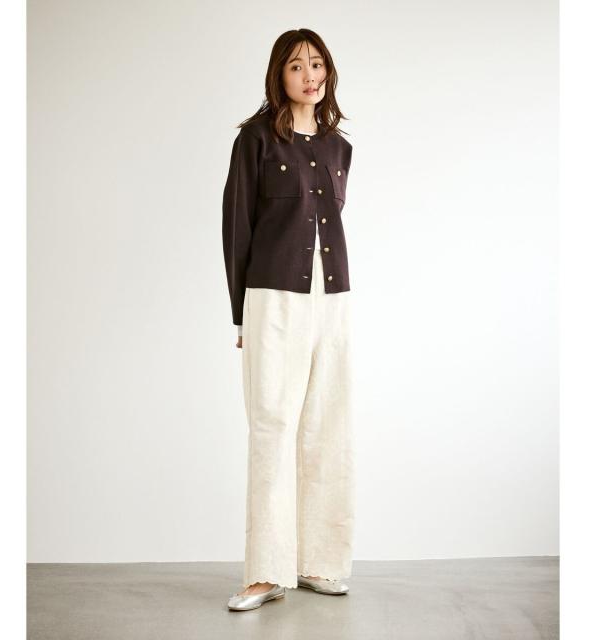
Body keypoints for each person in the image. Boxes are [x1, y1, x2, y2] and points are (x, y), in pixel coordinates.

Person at [222, 28, 355, 612]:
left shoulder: (338, 147)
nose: (309, 75)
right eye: (297, 65)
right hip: (273, 298)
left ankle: (319, 561)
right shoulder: (255, 139)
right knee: (272, 426)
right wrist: (241, 314)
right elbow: (236, 228)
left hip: (333, 299)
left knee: (328, 424)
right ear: (279, 74)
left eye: (317, 64)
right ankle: (266, 571)